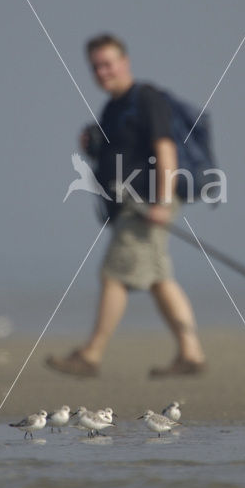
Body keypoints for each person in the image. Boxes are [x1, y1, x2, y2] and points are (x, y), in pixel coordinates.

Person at [45, 34, 206, 377]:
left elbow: (166, 151)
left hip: (148, 205)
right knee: (159, 279)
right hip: (129, 206)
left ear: (125, 61)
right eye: (96, 67)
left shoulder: (145, 99)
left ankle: (91, 355)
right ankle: (191, 354)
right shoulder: (111, 108)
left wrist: (162, 202)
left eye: (108, 63)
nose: (102, 72)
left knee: (115, 274)